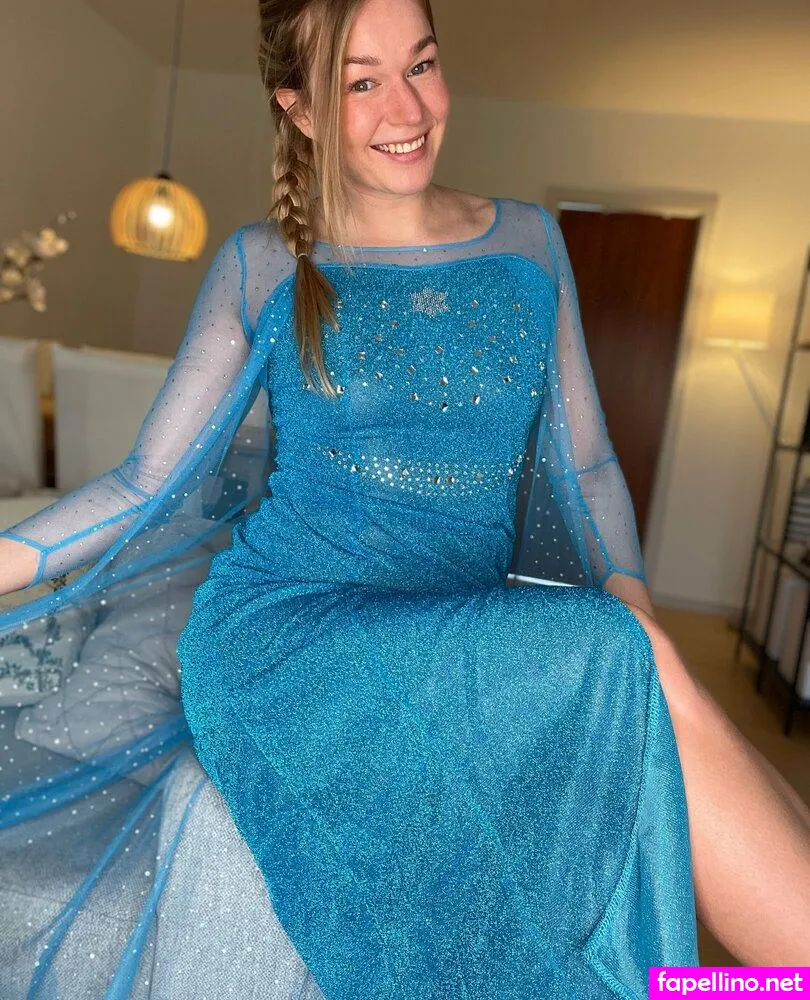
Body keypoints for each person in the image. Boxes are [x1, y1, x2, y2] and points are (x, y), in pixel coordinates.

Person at [1, 0, 809, 996]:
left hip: (445, 618)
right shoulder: (264, 262)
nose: (409, 108)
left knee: (643, 672)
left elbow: (590, 462)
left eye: (421, 64)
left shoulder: (529, 242)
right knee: (621, 660)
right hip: (288, 637)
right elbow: (141, 483)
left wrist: (638, 607)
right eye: (361, 82)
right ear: (299, 108)